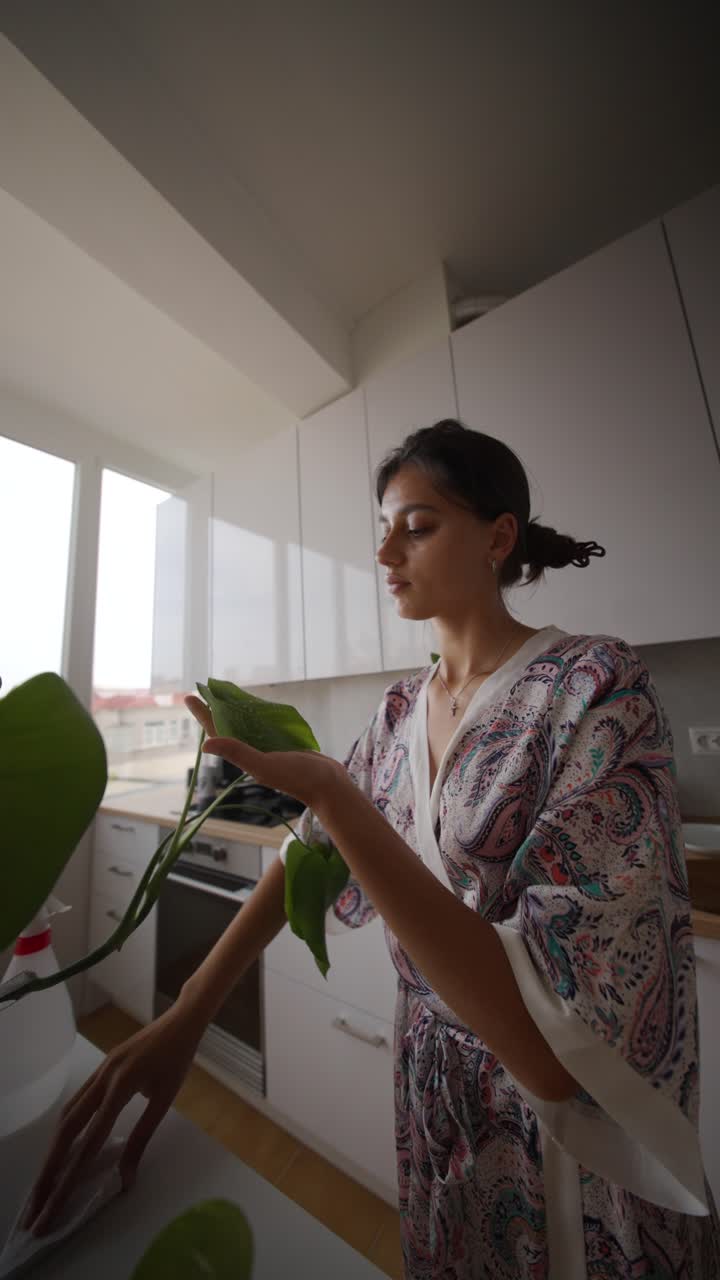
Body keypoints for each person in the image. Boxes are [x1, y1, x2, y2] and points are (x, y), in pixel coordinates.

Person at [24, 419, 720, 1277]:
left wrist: (327, 788)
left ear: (498, 537)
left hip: (555, 1128)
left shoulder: (591, 685)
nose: (386, 551)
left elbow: (551, 1047)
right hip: (432, 1092)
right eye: (382, 528)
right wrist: (184, 1018)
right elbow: (311, 854)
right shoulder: (397, 712)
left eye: (417, 526)